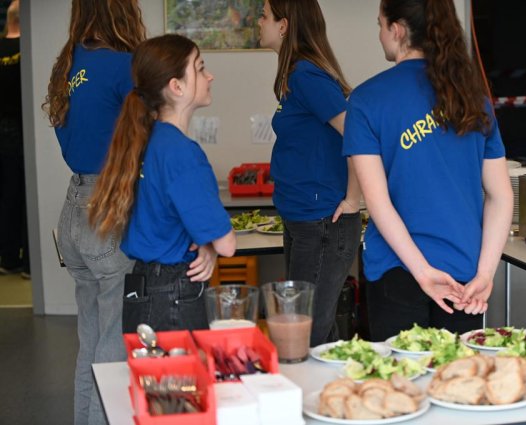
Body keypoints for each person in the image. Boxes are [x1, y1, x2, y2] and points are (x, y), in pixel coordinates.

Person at [42, 2, 207, 424]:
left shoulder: (68, 64)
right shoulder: (123, 65)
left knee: (91, 343)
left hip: (74, 211)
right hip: (108, 210)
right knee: (115, 347)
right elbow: (155, 141)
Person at [343, 0, 513, 341]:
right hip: (464, 276)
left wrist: (422, 272)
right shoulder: (473, 99)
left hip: (396, 270)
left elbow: (377, 203)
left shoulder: (366, 100)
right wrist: (485, 273)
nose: (379, 35)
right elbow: (501, 196)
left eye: (380, 25)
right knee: (455, 373)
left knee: (400, 374)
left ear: (397, 30)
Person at [88, 34, 236, 333]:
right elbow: (227, 243)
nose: (209, 76)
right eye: (200, 68)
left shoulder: (147, 139)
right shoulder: (182, 153)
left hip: (143, 289)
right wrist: (211, 245)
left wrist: (207, 244)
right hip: (172, 296)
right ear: (176, 86)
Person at [258, 0, 362, 347]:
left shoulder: (306, 75)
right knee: (313, 333)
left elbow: (357, 135)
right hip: (302, 220)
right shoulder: (294, 76)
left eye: (264, 15)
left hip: (322, 222)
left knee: (305, 336)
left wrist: (353, 200)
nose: (259, 22)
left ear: (284, 25)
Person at [0, 0, 28, 277]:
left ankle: (8, 258)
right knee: (26, 195)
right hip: (23, 129)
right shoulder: (28, 50)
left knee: (7, 196)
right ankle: (30, 263)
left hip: (2, 130)